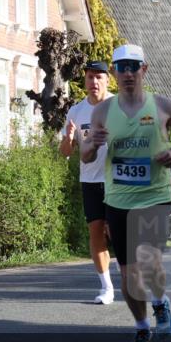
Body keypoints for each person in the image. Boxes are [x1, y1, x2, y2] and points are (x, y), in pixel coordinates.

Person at [80, 44, 171, 342]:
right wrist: (92, 144)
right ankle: (142, 327)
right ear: (115, 73)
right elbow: (85, 154)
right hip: (117, 199)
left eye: (134, 67)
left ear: (144, 69)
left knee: (148, 259)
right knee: (129, 273)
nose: (128, 73)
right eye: (122, 67)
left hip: (155, 197)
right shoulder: (103, 111)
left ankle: (160, 303)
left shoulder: (162, 105)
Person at [59, 60, 116, 304]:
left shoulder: (119, 106)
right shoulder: (76, 112)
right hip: (90, 180)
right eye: (90, 77)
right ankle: (107, 287)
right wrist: (69, 138)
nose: (93, 82)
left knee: (118, 233)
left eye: (99, 77)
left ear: (107, 80)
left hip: (118, 180)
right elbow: (65, 152)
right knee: (95, 232)